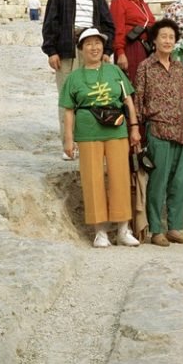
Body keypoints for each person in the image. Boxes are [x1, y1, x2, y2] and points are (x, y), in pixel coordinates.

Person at [59, 26, 141, 248]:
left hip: (116, 128)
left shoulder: (115, 71)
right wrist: (68, 139)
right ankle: (100, 231)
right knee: (92, 178)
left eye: (97, 43)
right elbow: (68, 109)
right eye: (88, 44)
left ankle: (123, 229)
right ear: (81, 49)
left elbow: (128, 101)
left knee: (120, 176)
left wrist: (134, 127)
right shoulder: (74, 78)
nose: (94, 47)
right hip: (87, 131)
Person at [131, 19, 183, 246]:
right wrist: (136, 131)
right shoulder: (145, 67)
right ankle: (156, 229)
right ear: (155, 40)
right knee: (157, 182)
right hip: (157, 129)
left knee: (179, 182)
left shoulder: (179, 67)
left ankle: (175, 228)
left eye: (171, 37)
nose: (167, 41)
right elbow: (138, 100)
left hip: (180, 130)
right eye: (163, 37)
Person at [42, 0, 115, 140]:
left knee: (93, 94)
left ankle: (88, 138)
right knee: (68, 96)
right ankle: (68, 142)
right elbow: (50, 24)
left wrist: (107, 50)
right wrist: (51, 51)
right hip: (67, 49)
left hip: (92, 50)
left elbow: (108, 25)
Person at [110, 0, 155, 82]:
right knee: (132, 84)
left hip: (146, 48)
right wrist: (120, 53)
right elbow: (117, 29)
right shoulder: (119, 1)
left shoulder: (142, 2)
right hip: (130, 48)